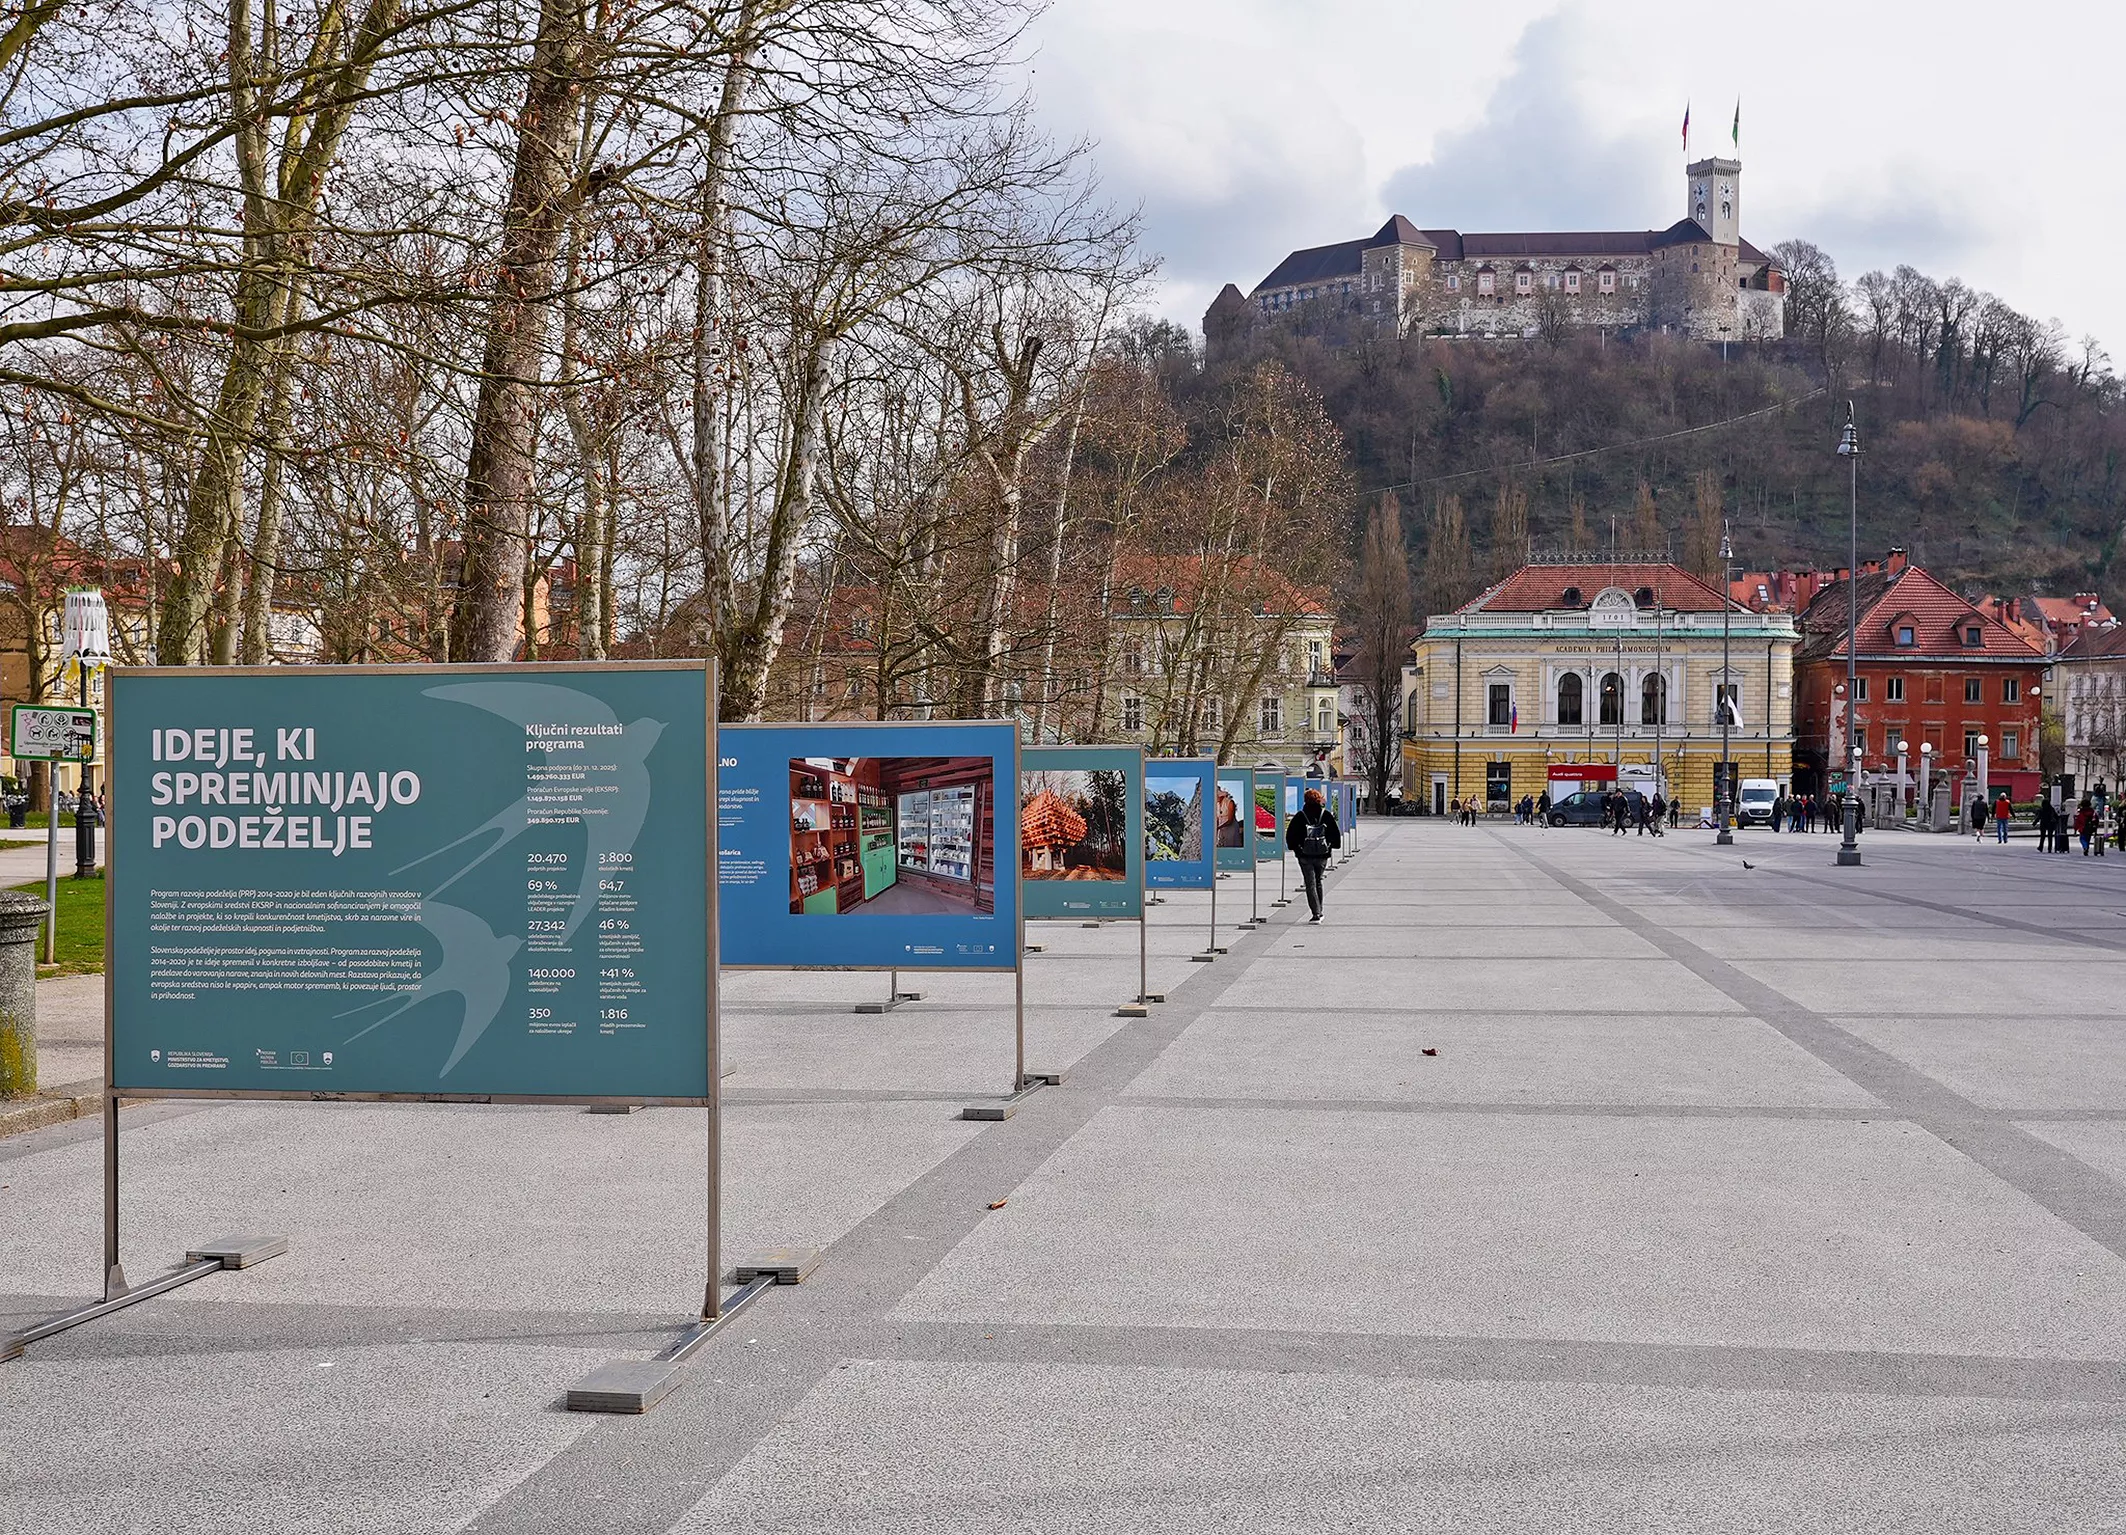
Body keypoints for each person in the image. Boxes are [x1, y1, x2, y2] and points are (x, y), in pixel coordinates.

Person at [1286, 786, 1341, 922]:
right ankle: (1319, 910)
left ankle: (1316, 913)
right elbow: (1335, 834)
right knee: (1318, 881)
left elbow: (1290, 836)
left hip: (1304, 855)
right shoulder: (1326, 815)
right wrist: (1330, 847)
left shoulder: (1300, 816)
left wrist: (1296, 849)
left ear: (1305, 800)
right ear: (1318, 799)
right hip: (1322, 855)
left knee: (1310, 884)